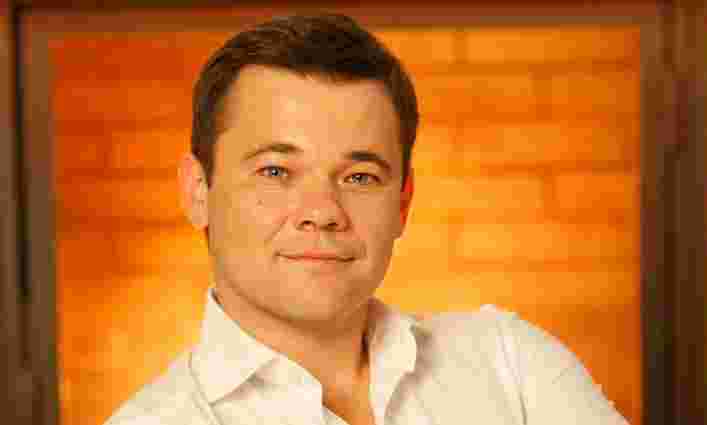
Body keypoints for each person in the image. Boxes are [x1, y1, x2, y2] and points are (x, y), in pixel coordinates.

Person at [105, 13, 629, 425]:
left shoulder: (510, 363)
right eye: (275, 171)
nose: (322, 213)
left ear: (403, 202)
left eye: (359, 176)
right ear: (198, 191)